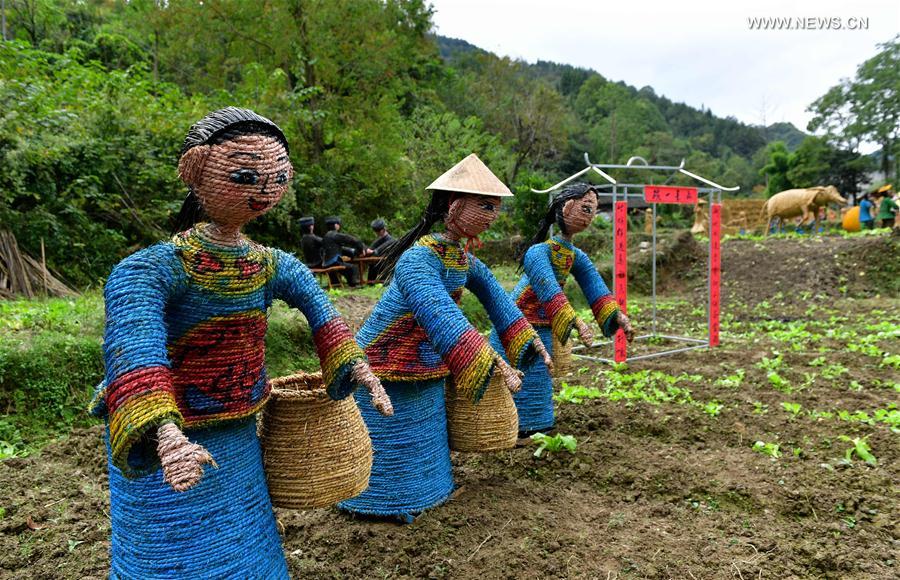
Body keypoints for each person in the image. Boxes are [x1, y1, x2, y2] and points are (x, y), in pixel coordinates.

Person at [90, 107, 392, 578]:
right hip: (171, 436)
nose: (265, 191)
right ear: (196, 171)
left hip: (236, 426)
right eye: (247, 175)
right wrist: (167, 436)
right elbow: (134, 341)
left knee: (246, 533)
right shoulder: (152, 268)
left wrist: (357, 365)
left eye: (278, 178)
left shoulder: (269, 263)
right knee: (166, 546)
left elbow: (322, 311)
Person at [338, 153, 552, 522]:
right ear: (453, 207)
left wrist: (522, 334)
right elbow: (439, 310)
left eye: (495, 208)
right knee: (391, 426)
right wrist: (484, 356)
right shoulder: (418, 259)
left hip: (427, 354)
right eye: (485, 206)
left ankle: (429, 489)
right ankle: (385, 501)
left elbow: (497, 299)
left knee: (425, 421)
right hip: (387, 355)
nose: (493, 215)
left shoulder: (461, 258)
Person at [494, 182, 635, 435]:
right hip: (517, 322)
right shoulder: (538, 252)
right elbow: (549, 289)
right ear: (567, 208)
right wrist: (576, 321)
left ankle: (536, 425)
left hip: (544, 323)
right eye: (585, 209)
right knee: (525, 375)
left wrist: (617, 315)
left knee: (540, 377)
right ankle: (517, 427)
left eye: (593, 211)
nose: (589, 217)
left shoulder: (575, 255)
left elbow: (596, 287)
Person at [322, 215, 365, 286]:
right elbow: (351, 240)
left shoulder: (325, 236)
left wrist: (353, 252)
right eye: (338, 224)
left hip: (326, 263)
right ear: (336, 225)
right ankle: (355, 284)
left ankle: (348, 283)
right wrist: (361, 247)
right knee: (353, 268)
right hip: (334, 262)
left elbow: (340, 248)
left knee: (347, 268)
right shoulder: (335, 235)